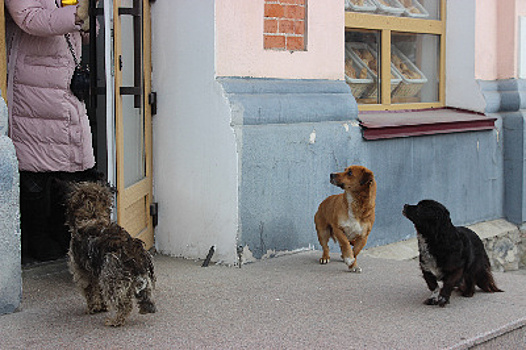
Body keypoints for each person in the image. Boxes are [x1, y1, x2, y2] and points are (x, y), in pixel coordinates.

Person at [5, 0, 98, 262]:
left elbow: (87, 29)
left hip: (63, 85)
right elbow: (29, 18)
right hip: (33, 84)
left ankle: (63, 237)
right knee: (35, 168)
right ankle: (36, 241)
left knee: (72, 165)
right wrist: (77, 14)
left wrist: (89, 22)